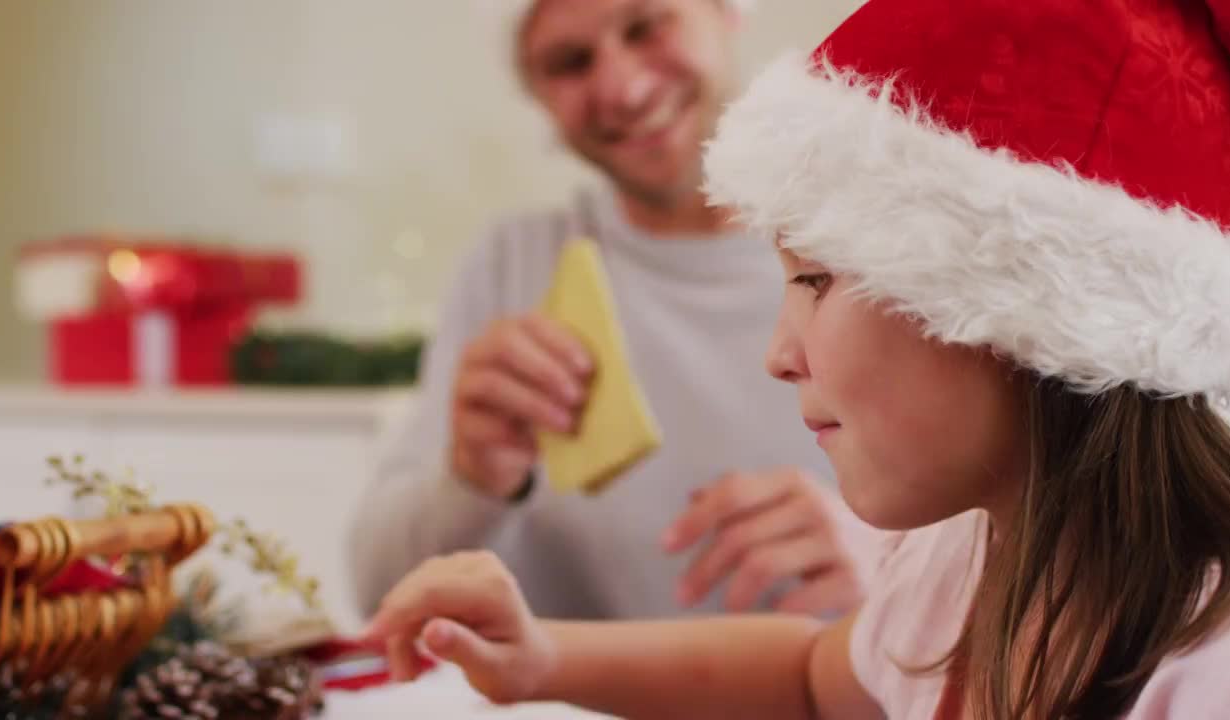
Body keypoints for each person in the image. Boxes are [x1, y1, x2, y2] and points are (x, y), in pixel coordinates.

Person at [360, 0, 1230, 717]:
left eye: (817, 280)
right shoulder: (959, 566)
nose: (778, 355)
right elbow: (807, 681)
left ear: (1014, 307)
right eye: (566, 60)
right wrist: (545, 660)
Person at [348, 0, 879, 622]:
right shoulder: (514, 267)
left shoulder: (877, 246)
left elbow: (1015, 547)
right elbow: (380, 595)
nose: (622, 90)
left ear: (726, 14)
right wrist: (472, 481)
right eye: (569, 62)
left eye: (645, 26)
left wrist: (896, 566)